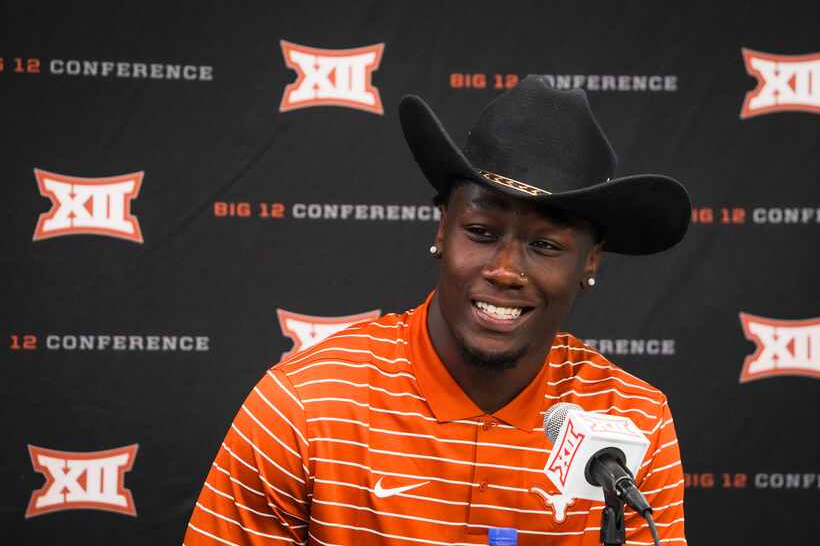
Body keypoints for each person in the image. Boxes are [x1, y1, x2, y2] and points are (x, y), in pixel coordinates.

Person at [183, 75, 690, 545]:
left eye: (545, 245)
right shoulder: (305, 406)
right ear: (441, 230)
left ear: (590, 261)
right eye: (482, 233)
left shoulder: (633, 422)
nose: (507, 270)